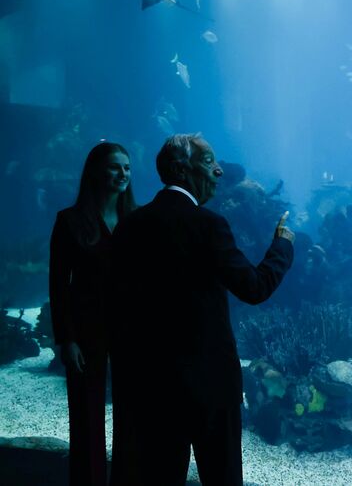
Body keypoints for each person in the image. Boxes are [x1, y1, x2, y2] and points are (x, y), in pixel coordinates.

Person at [109, 133, 294, 486]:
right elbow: (254, 288)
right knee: (221, 475)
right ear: (181, 168)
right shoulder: (209, 225)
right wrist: (282, 246)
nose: (220, 171)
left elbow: (119, 306)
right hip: (210, 385)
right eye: (209, 161)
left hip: (151, 384)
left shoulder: (130, 226)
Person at [49, 141, 136, 485]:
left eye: (127, 168)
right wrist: (65, 339)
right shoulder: (69, 221)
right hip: (85, 332)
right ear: (96, 171)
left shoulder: (137, 219)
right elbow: (58, 286)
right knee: (86, 420)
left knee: (132, 418)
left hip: (130, 331)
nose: (123, 174)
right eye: (115, 167)